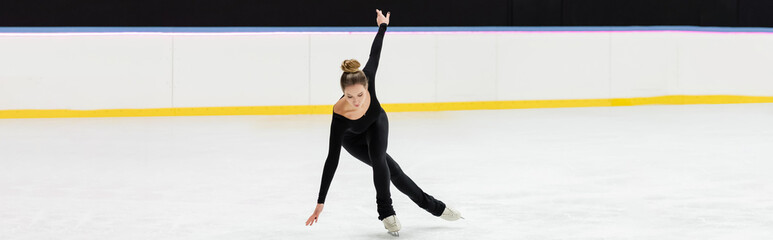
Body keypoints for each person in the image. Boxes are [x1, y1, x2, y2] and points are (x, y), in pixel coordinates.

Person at [304, 9, 462, 235]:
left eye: (360, 95)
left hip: (377, 122)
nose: (356, 101)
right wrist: (320, 202)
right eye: (349, 97)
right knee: (393, 170)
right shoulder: (339, 115)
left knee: (382, 161)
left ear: (366, 86)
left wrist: (383, 26)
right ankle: (426, 208)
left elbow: (375, 52)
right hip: (353, 139)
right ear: (342, 93)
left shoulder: (368, 76)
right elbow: (332, 159)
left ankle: (392, 211)